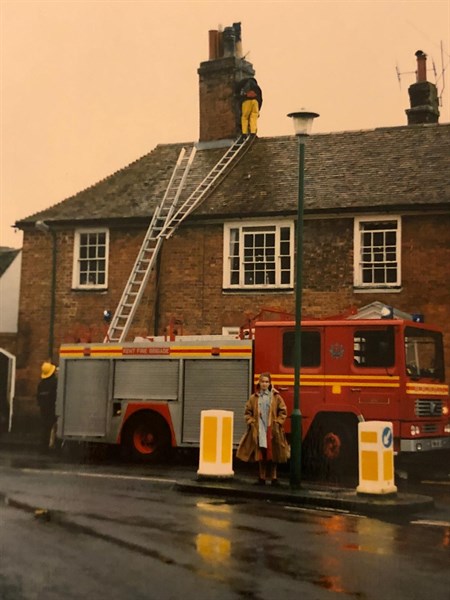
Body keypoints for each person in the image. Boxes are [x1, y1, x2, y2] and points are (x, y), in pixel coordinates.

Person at [236, 372, 290, 485]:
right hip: (259, 429)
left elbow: (283, 411)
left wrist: (278, 422)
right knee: (261, 454)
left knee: (274, 454)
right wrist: (251, 422)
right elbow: (247, 412)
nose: (264, 384)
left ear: (270, 383)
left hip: (272, 429)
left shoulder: (276, 397)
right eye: (262, 382)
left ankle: (274, 478)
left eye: (266, 382)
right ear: (259, 383)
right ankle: (262, 478)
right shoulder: (254, 398)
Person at [36, 361, 58, 451]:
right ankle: (52, 445)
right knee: (53, 427)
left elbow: (38, 397)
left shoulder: (41, 384)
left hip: (43, 408)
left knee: (45, 427)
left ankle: (43, 446)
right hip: (52, 407)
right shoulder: (55, 382)